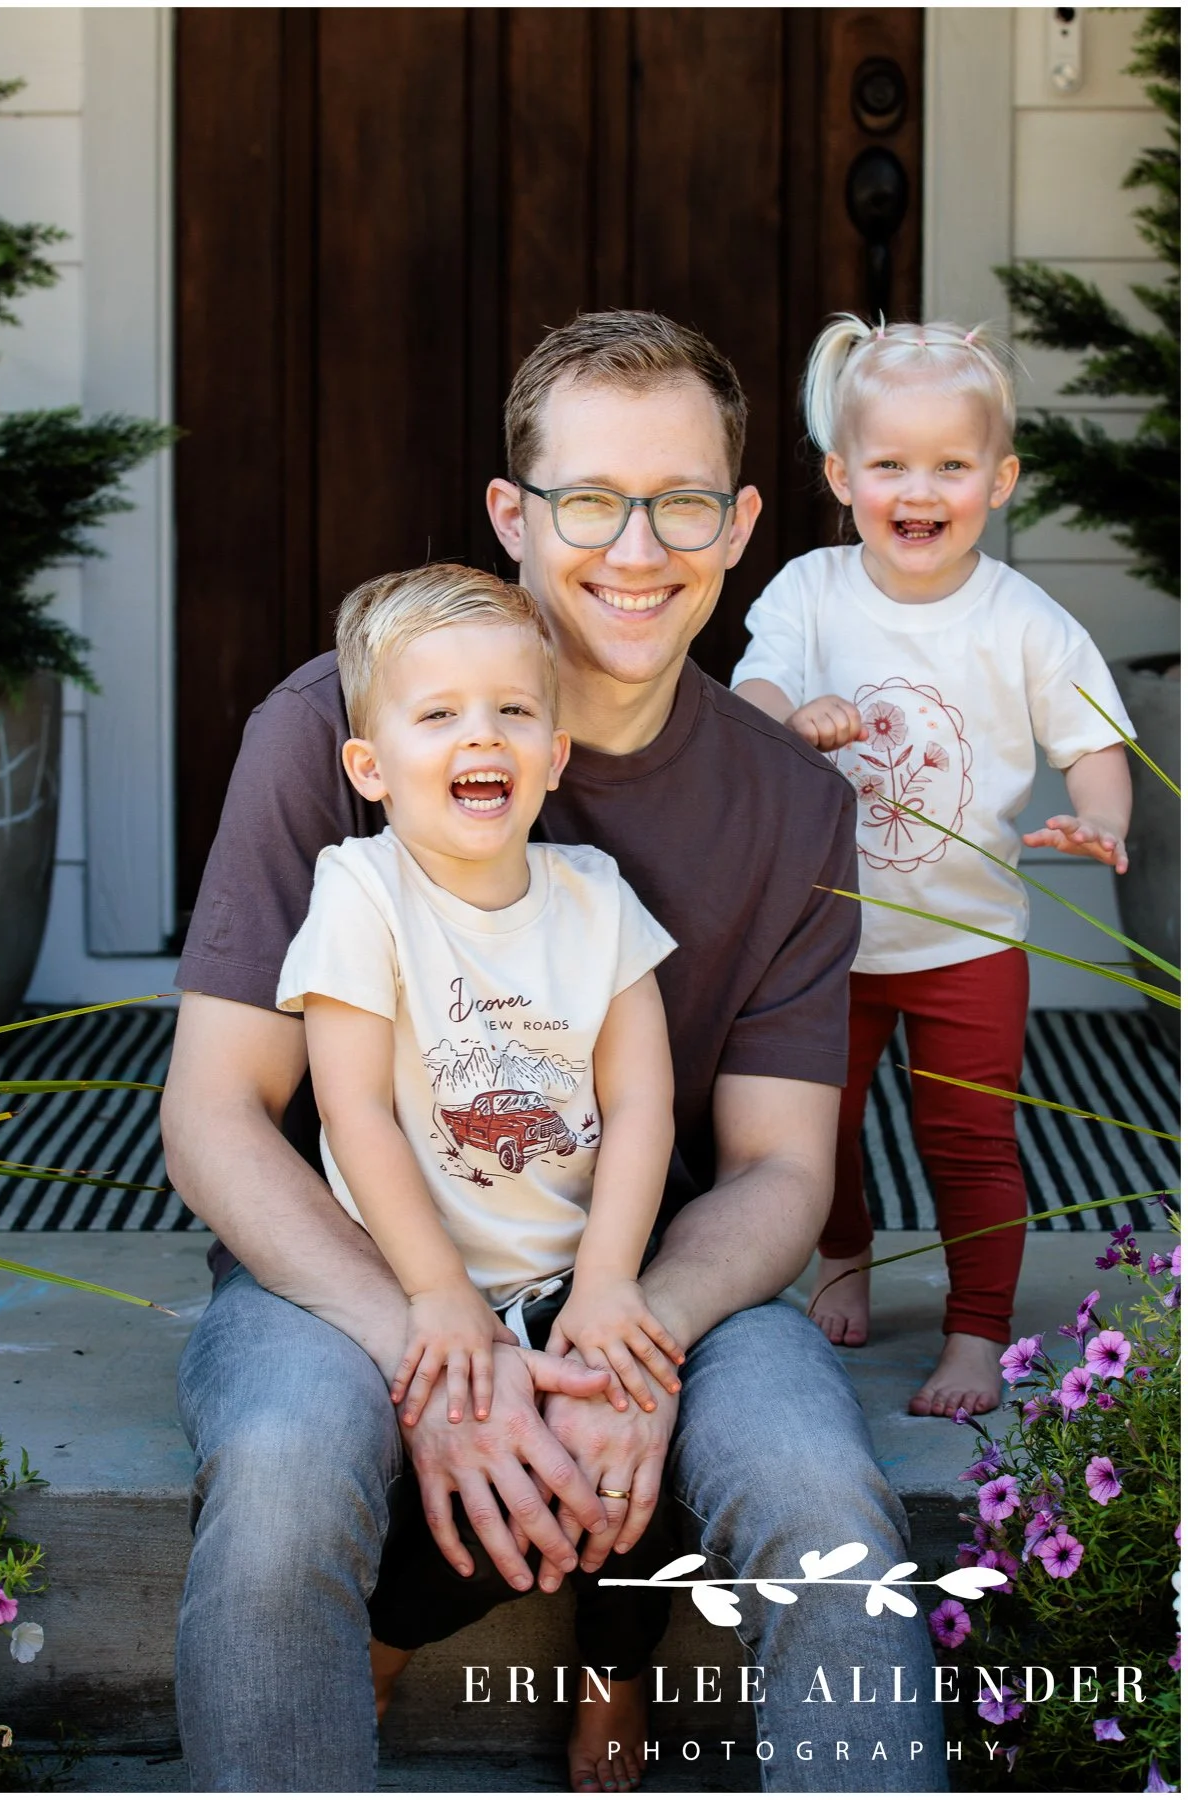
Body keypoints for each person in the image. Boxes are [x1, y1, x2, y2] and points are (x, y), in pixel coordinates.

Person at [164, 310, 945, 1793]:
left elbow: (781, 1167)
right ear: (514, 515)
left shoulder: (789, 808)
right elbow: (216, 1117)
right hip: (355, 1264)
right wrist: (429, 1347)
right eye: (590, 500)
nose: (637, 550)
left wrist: (633, 1334)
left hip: (661, 1274)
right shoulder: (334, 732)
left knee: (816, 1490)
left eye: (684, 503)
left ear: (744, 525)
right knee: (276, 1485)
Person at [278, 565, 683, 1758]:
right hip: (434, 1278)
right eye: (438, 713)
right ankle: (392, 1638)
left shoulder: (596, 897)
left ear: (555, 754)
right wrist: (437, 1294)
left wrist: (610, 1286)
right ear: (370, 766)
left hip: (577, 1269)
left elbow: (644, 1099)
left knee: (635, 1444)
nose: (480, 735)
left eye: (511, 710)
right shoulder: (361, 890)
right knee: (474, 1497)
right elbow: (355, 1114)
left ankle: (616, 1671)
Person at [732, 315, 1134, 1419]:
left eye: (952, 465)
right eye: (891, 463)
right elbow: (751, 693)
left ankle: (975, 1331)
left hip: (969, 943)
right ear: (840, 474)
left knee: (970, 1141)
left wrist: (1099, 818)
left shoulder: (1021, 620)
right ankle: (845, 1253)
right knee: (817, 1126)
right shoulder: (812, 594)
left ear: (998, 479)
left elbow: (1095, 738)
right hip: (823, 939)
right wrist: (790, 713)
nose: (921, 488)